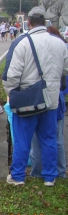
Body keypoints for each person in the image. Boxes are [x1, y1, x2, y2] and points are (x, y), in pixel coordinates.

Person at [2, 7, 68, 186]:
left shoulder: (24, 43)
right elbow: (65, 69)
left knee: (23, 140)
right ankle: (49, 177)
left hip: (28, 100)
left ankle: (17, 176)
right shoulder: (60, 44)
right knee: (49, 139)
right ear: (46, 22)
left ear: (29, 22)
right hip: (51, 100)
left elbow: (13, 74)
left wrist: (11, 92)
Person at [30, 26, 67, 179]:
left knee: (40, 138)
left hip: (43, 98)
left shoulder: (44, 52)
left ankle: (39, 172)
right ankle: (59, 172)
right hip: (56, 98)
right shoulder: (61, 48)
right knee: (55, 137)